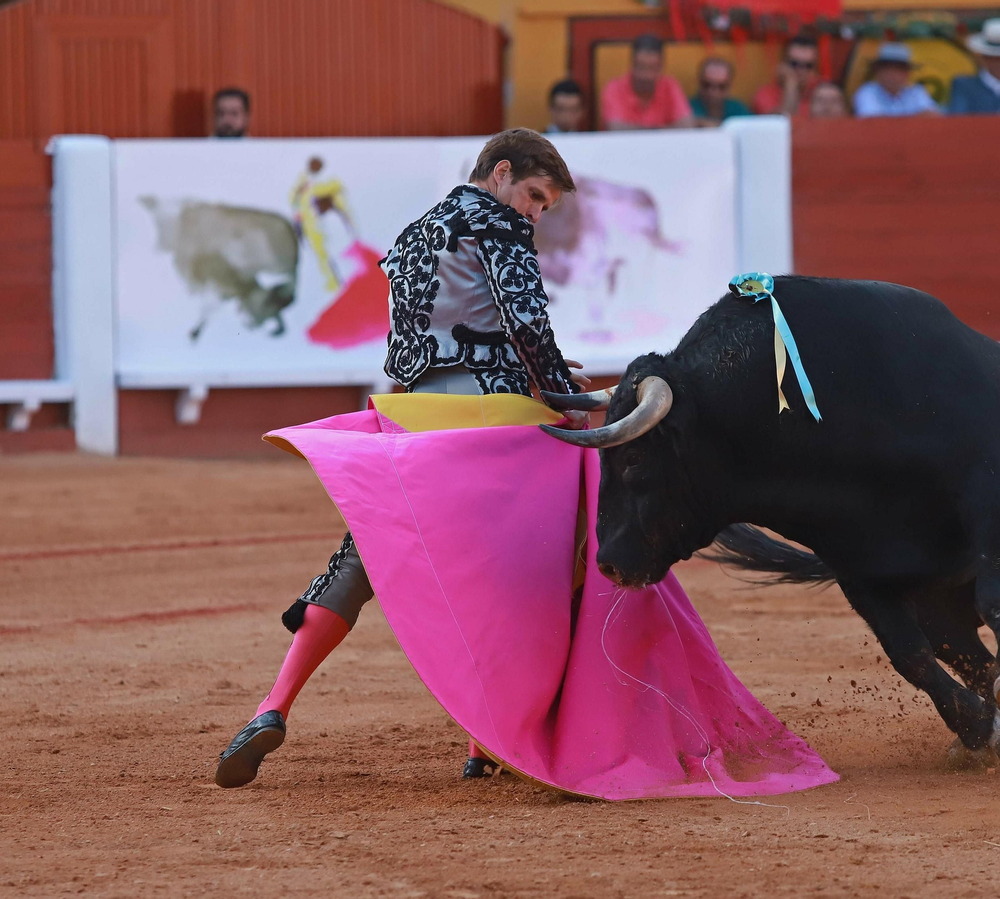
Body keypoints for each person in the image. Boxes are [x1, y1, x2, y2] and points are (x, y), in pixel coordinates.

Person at [214, 128, 589, 788]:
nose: (534, 213)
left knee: (364, 555)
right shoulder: (497, 224)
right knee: (534, 566)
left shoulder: (416, 232)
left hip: (415, 418)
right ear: (499, 173)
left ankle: (271, 705)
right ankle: (486, 742)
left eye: (546, 207)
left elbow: (415, 340)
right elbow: (525, 320)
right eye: (534, 196)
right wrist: (557, 386)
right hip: (488, 422)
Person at [600, 34, 693, 130]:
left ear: (661, 67)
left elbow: (686, 126)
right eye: (641, 67)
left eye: (652, 68)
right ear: (632, 64)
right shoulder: (614, 89)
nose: (646, 76)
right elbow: (615, 128)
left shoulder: (670, 86)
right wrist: (663, 130)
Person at [852, 43, 941, 118]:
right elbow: (873, 121)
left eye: (899, 69)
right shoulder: (867, 91)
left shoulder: (916, 92)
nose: (893, 75)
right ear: (878, 72)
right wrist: (915, 118)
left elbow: (933, 116)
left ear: (907, 73)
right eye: (888, 68)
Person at [752, 35, 821, 118]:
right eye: (794, 64)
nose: (801, 70)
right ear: (782, 64)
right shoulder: (765, 94)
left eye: (808, 65)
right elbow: (782, 124)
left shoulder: (825, 92)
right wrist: (791, 84)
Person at [690, 57, 751, 126]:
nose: (713, 92)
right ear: (699, 82)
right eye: (707, 85)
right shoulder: (686, 109)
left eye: (721, 86)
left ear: (729, 85)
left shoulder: (738, 109)